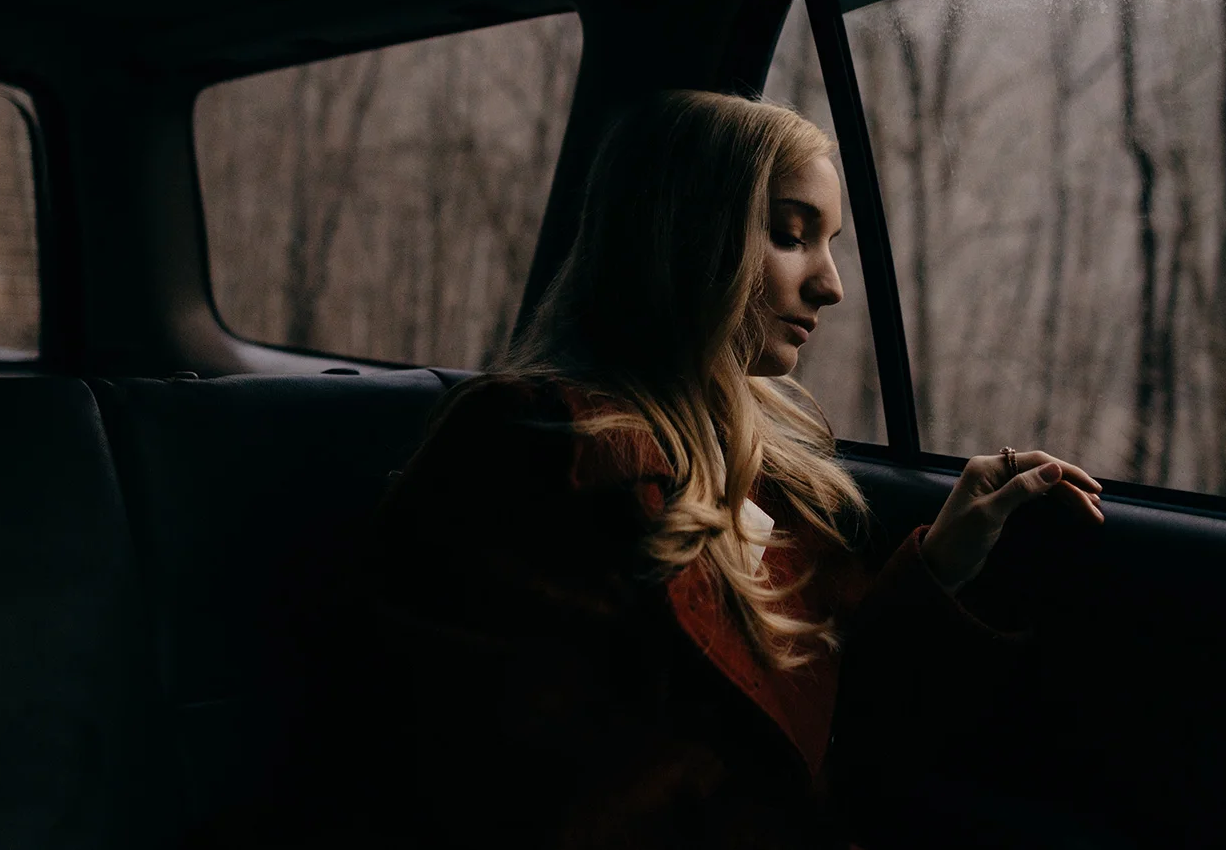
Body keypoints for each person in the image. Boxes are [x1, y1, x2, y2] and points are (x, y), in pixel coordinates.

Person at [352, 91, 1104, 849]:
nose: (831, 284)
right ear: (679, 234)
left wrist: (943, 560)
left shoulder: (770, 471)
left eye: (830, 242)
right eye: (789, 235)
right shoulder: (529, 444)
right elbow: (503, 785)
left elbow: (827, 717)